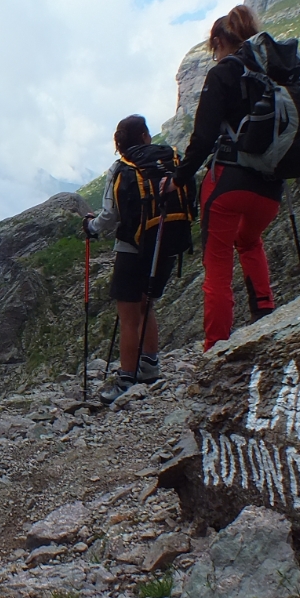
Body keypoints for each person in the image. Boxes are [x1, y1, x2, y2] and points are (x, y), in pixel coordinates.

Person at [175, 5, 283, 351]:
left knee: (217, 263)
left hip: (229, 182)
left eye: (214, 49)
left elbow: (203, 138)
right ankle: (265, 311)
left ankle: (216, 344)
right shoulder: (270, 74)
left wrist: (180, 177)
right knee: (249, 241)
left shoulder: (222, 74)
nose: (214, 55)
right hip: (270, 187)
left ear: (219, 42)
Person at [84, 115, 183, 404]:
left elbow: (109, 215)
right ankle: (150, 367)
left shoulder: (120, 169)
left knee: (128, 317)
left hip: (131, 247)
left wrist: (90, 228)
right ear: (144, 136)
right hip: (166, 241)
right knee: (147, 305)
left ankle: (126, 378)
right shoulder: (168, 158)